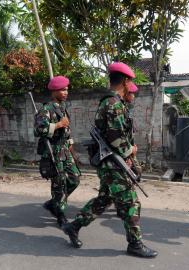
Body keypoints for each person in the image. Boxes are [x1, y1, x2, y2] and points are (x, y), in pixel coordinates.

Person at [62, 62, 158, 258]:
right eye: (130, 81)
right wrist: (130, 150)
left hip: (111, 163)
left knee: (104, 200)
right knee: (131, 203)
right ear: (125, 80)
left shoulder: (111, 103)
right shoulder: (113, 104)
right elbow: (117, 140)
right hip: (114, 164)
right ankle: (135, 244)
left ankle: (74, 226)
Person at [34, 75, 81, 228]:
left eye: (66, 89)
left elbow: (67, 131)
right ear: (54, 91)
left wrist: (72, 148)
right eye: (62, 89)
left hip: (65, 150)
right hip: (52, 151)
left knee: (74, 178)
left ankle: (53, 203)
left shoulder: (63, 108)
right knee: (59, 183)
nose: (65, 92)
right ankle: (60, 214)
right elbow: (38, 130)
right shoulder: (46, 109)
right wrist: (59, 124)